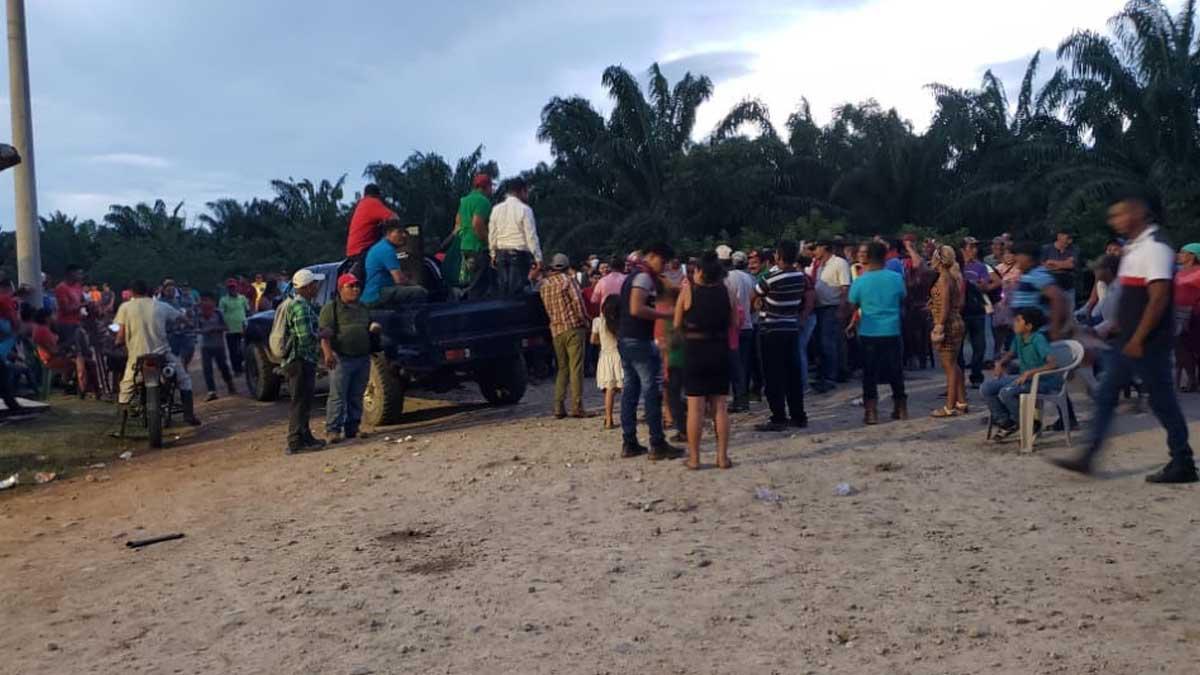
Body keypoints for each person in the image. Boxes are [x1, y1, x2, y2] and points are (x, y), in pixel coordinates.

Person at [1051, 193, 1196, 483]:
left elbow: (1158, 298)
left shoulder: (1155, 248)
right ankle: (1088, 456)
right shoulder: (1133, 247)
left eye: (1119, 214)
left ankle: (1183, 461)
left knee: (1162, 402)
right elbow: (1131, 298)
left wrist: (1139, 337)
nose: (1114, 220)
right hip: (1129, 339)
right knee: (1107, 395)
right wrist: (1112, 329)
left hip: (1147, 342)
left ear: (1138, 213)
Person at [616, 242, 683, 460]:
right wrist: (666, 315)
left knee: (630, 392)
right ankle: (657, 443)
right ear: (652, 256)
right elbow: (637, 308)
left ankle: (630, 442)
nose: (663, 267)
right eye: (662, 262)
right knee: (650, 392)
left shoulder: (635, 275)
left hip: (626, 339)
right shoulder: (643, 278)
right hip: (638, 340)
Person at [674, 251, 735, 469]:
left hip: (695, 351)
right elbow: (734, 322)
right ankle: (722, 457)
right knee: (720, 406)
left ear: (700, 271)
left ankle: (695, 458)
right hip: (719, 350)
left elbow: (676, 323)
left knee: (695, 408)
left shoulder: (688, 291)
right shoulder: (726, 291)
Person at [113, 279, 200, 432]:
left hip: (137, 356)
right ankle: (188, 415)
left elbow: (120, 336)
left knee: (126, 387)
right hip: (162, 353)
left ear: (132, 292)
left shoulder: (125, 307)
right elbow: (183, 319)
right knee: (184, 380)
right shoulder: (162, 306)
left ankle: (120, 426)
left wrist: (118, 343)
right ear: (150, 291)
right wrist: (189, 324)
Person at [846, 241, 907, 424]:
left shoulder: (861, 280)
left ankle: (871, 412)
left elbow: (853, 304)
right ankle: (900, 407)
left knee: (869, 373)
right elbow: (902, 299)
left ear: (868, 257)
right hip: (892, 329)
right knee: (895, 371)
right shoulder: (896, 278)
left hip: (869, 331)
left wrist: (851, 323)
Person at [754, 240, 811, 432]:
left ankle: (778, 416)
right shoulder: (800, 276)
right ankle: (798, 415)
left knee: (773, 375)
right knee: (792, 374)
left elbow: (756, 294)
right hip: (791, 327)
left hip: (771, 329)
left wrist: (762, 300)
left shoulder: (771, 278)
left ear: (778, 256)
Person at [983, 308, 1060, 441]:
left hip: (1043, 381)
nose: (1014, 323)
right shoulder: (1019, 337)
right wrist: (1000, 363)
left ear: (1029, 326)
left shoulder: (1038, 339)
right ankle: (1006, 422)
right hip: (1025, 378)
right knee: (987, 388)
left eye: (1018, 321)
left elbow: (1053, 364)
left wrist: (1031, 372)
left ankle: (1028, 423)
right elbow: (1011, 354)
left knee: (1006, 392)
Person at [320, 273, 377, 443]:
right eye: (350, 286)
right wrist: (328, 353)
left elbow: (368, 326)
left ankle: (353, 428)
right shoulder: (331, 309)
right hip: (341, 358)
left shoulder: (363, 308)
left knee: (356, 395)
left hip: (362, 358)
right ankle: (333, 430)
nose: (355, 289)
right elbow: (324, 334)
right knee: (338, 396)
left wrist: (374, 331)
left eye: (357, 286)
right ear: (340, 289)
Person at [539, 253, 591, 419]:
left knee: (562, 368)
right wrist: (586, 321)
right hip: (573, 328)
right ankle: (577, 406)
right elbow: (578, 303)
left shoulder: (544, 285)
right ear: (567, 266)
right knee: (576, 367)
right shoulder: (568, 281)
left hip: (556, 330)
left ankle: (559, 406)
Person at [282, 269, 327, 455]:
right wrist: (322, 335)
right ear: (307, 287)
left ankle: (304, 437)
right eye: (314, 284)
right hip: (300, 360)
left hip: (298, 360)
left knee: (303, 401)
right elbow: (306, 338)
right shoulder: (301, 308)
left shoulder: (297, 304)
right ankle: (295, 441)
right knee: (300, 401)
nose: (317, 287)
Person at [929, 245, 967, 417]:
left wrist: (939, 325)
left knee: (949, 366)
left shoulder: (944, 279)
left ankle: (949, 406)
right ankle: (961, 401)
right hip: (954, 322)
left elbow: (944, 305)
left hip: (947, 324)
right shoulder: (950, 277)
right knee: (954, 364)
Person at [488, 177, 543, 297]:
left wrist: (492, 254)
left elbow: (492, 234)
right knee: (517, 294)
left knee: (503, 293)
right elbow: (531, 236)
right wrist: (538, 258)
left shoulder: (496, 209)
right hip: (519, 255)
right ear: (522, 191)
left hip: (501, 254)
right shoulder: (525, 209)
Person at [809, 240, 852, 392]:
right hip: (820, 307)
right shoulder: (819, 265)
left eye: (816, 247)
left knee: (829, 343)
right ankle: (826, 373)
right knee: (822, 343)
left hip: (832, 306)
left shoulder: (839, 263)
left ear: (824, 248)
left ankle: (830, 377)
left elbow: (845, 287)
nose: (814, 251)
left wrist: (842, 308)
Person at [961, 237, 1002, 388]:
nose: (973, 250)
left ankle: (976, 376)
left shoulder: (980, 266)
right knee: (958, 346)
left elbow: (985, 284)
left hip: (978, 309)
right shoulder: (957, 266)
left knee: (980, 345)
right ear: (962, 249)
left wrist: (978, 285)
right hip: (961, 311)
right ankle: (957, 378)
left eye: (975, 247)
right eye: (970, 247)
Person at [362, 220, 430, 308]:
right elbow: (399, 280)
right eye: (399, 232)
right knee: (420, 291)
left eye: (404, 232)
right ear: (389, 233)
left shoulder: (380, 246)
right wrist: (414, 283)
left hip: (377, 292)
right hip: (377, 294)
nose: (404, 235)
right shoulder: (387, 250)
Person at [452, 174, 494, 298]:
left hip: (465, 247)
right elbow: (477, 224)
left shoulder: (464, 200)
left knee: (472, 281)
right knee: (480, 286)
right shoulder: (483, 201)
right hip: (478, 248)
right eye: (491, 186)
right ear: (486, 186)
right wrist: (489, 242)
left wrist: (464, 236)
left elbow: (458, 223)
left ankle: (463, 296)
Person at [725, 251, 757, 413]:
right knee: (745, 364)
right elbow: (755, 300)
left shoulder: (728, 278)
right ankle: (744, 398)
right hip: (748, 325)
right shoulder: (750, 278)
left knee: (734, 366)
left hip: (733, 328)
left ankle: (739, 399)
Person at [345, 184, 398, 276]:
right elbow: (394, 218)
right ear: (377, 195)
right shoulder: (372, 202)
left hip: (353, 251)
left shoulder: (362, 204)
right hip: (363, 250)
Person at [196, 292, 236, 401]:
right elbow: (196, 328)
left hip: (218, 345)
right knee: (207, 368)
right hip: (205, 345)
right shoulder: (199, 314)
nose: (204, 302)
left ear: (213, 302)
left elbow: (226, 327)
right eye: (203, 300)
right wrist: (202, 331)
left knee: (223, 366)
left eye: (207, 300)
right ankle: (211, 391)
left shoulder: (218, 313)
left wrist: (215, 329)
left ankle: (230, 383)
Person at [592, 295, 623, 430]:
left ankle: (609, 419)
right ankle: (629, 416)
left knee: (609, 390)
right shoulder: (620, 322)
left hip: (605, 356)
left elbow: (593, 340)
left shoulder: (598, 322)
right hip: (619, 356)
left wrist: (603, 343)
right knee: (625, 388)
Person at [1173, 243, 1200, 391]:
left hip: (1196, 314)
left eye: (1183, 252)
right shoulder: (1179, 272)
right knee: (1182, 348)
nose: (1179, 255)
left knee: (1196, 347)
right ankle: (1191, 379)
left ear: (1193, 255)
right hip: (1179, 314)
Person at [1042, 228, 1080, 315]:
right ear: (1059, 236)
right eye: (1068, 238)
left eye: (1071, 239)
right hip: (1051, 287)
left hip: (1068, 287)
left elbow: (1071, 265)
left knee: (1069, 314)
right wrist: (1064, 263)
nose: (1070, 241)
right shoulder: (1046, 249)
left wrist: (1052, 263)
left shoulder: (1074, 249)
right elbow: (1043, 267)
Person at [219, 279, 250, 375]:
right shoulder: (223, 300)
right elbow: (220, 314)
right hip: (230, 329)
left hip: (243, 328)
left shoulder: (242, 298)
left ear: (237, 287)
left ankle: (246, 367)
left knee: (244, 349)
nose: (232, 289)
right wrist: (223, 325)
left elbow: (248, 310)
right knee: (233, 351)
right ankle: (237, 370)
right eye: (230, 287)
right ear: (227, 289)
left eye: (233, 287)